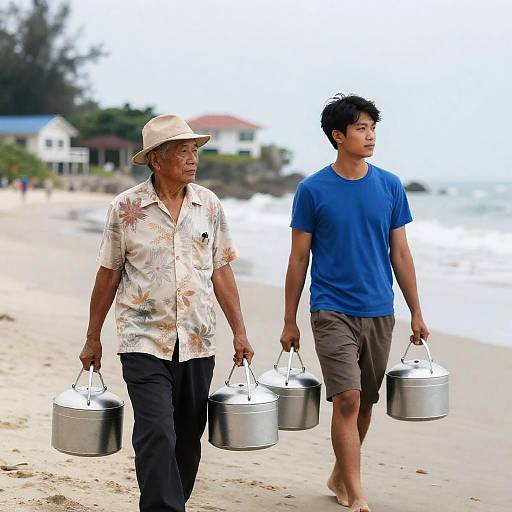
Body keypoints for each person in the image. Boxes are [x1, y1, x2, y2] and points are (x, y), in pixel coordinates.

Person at [79, 114, 254, 512]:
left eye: (195, 151)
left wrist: (240, 332)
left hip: (198, 340)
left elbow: (222, 270)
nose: (193, 159)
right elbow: (108, 275)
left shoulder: (208, 204)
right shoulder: (125, 208)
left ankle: (172, 501)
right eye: (182, 151)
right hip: (142, 339)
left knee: (188, 439)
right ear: (157, 159)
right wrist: (92, 337)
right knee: (156, 431)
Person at [279, 94, 429, 512]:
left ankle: (340, 474)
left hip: (380, 309)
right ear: (338, 136)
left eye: (373, 128)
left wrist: (416, 311)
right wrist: (289, 319)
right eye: (361, 128)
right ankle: (356, 492)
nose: (370, 136)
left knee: (364, 400)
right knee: (346, 397)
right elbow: (298, 258)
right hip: (330, 308)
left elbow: (400, 252)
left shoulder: (389, 185)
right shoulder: (312, 190)